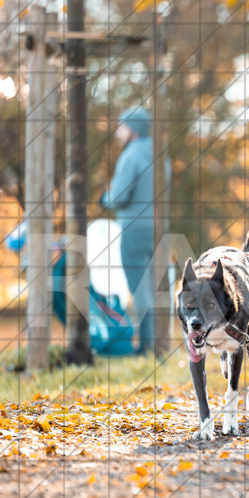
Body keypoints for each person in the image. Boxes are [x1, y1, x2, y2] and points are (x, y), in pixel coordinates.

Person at [102, 107, 156, 354]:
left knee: (139, 288)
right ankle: (157, 342)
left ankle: (145, 346)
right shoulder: (159, 153)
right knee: (153, 286)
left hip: (133, 229)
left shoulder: (131, 156)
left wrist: (106, 198)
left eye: (122, 125)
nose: (118, 130)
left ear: (132, 129)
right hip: (156, 228)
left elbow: (119, 197)